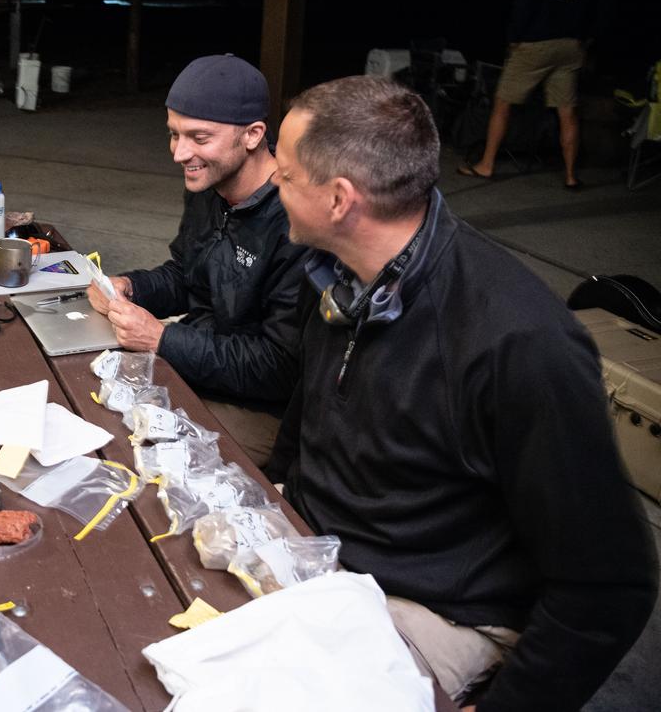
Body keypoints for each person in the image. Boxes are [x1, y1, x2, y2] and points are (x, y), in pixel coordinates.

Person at [267, 75, 657, 710]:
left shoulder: (521, 343)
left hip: (432, 603)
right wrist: (270, 495)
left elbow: (610, 584)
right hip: (322, 548)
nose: (272, 185)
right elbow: (309, 410)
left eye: (282, 175)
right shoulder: (342, 272)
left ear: (339, 199)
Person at [87, 54, 307, 466]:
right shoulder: (210, 182)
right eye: (174, 134)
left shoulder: (295, 222)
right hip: (196, 364)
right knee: (90, 398)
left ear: (253, 134)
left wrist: (162, 339)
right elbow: (189, 277)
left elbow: (279, 367)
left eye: (198, 138)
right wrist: (132, 288)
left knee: (129, 452)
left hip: (264, 407)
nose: (179, 153)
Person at [460, 0, 594, 188]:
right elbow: (595, 7)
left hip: (536, 44)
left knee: (503, 102)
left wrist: (513, 40)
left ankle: (486, 165)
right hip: (570, 46)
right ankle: (570, 176)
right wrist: (585, 40)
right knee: (567, 111)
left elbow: (523, 5)